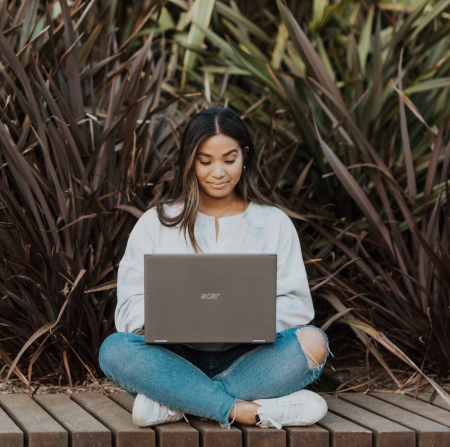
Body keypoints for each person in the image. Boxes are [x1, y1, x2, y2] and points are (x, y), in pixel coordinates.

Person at [99, 107, 331, 430]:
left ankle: (177, 401)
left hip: (248, 360)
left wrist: (244, 319)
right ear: (189, 161)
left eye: (229, 159)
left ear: (245, 155)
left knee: (314, 343)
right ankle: (245, 410)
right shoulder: (155, 223)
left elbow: (297, 307)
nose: (218, 172)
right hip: (174, 357)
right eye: (205, 161)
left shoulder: (274, 223)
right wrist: (181, 319)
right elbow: (128, 308)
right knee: (114, 350)